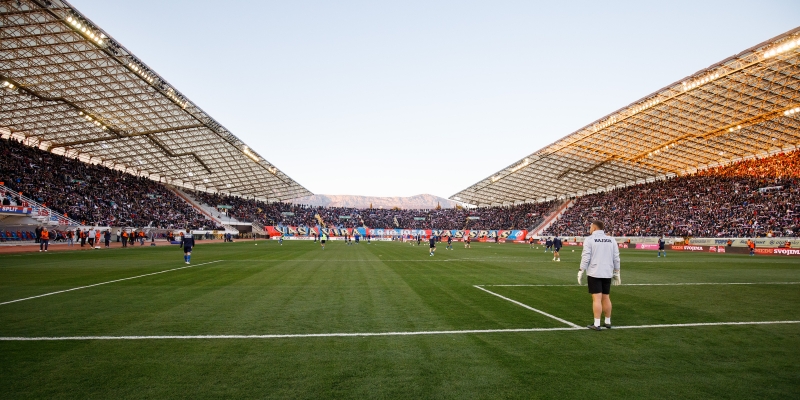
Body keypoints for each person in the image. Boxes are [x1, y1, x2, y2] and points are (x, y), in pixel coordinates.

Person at [577, 220, 621, 331]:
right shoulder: (611, 239)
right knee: (606, 297)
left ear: (595, 228)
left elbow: (586, 257)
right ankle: (607, 321)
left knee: (597, 299)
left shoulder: (590, 239)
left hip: (594, 272)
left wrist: (581, 270)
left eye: (591, 227)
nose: (590, 229)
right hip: (607, 272)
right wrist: (617, 272)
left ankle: (597, 324)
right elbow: (616, 257)